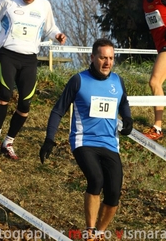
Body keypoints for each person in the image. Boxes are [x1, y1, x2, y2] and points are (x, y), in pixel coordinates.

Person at [39, 38, 133, 240]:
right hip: (84, 141)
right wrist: (49, 139)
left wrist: (128, 118)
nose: (107, 63)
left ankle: (100, 232)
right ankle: (90, 232)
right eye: (102, 58)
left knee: (114, 192)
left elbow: (123, 102)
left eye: (110, 58)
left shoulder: (117, 81)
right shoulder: (79, 80)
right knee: (96, 179)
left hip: (109, 143)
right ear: (92, 58)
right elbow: (58, 110)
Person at [0, 0, 66, 160]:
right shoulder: (7, 2)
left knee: (25, 103)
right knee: (5, 94)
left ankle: (8, 142)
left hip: (29, 59)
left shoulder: (44, 6)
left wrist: (57, 35)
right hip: (8, 55)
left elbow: (50, 28)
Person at [138, 0, 166, 140]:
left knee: (154, 81)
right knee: (157, 83)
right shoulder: (145, 0)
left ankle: (157, 127)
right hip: (160, 46)